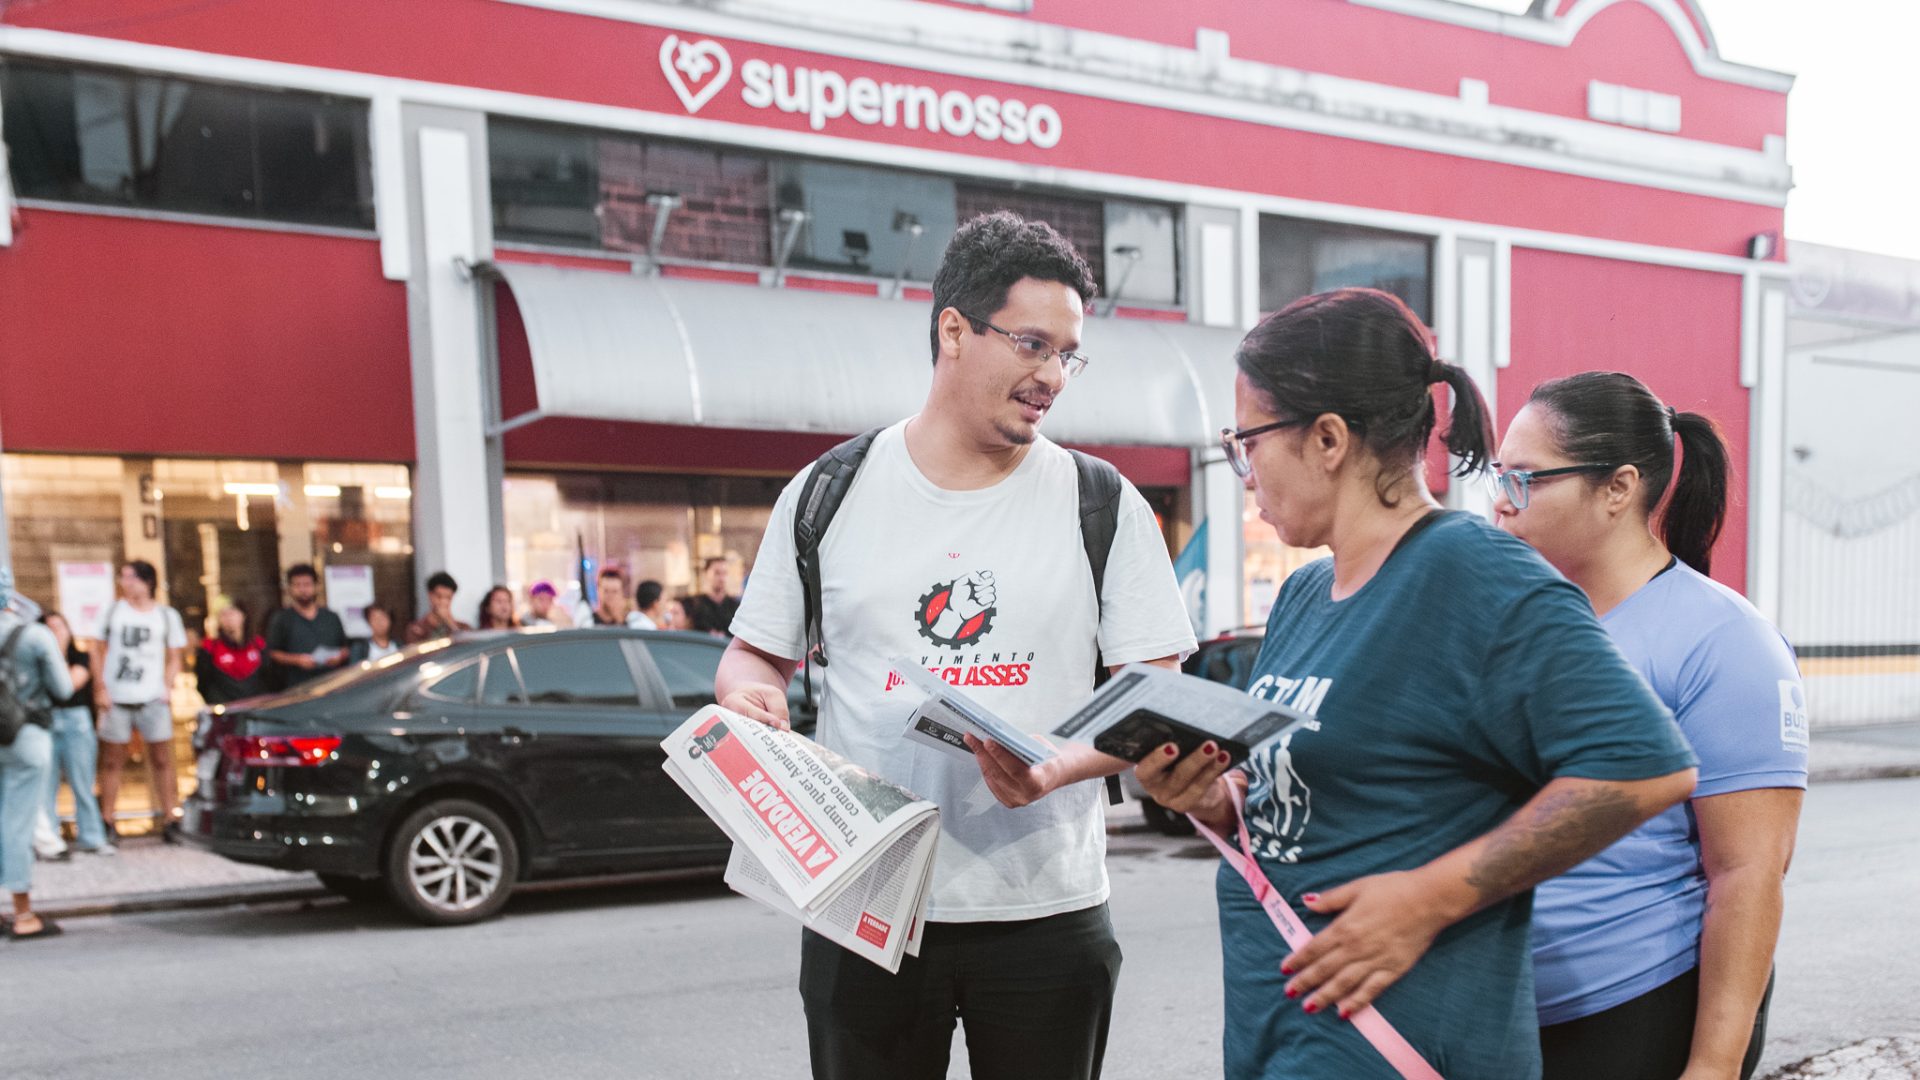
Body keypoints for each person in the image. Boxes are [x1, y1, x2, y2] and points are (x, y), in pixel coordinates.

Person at [1135, 288, 1699, 1079]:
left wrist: (1430, 898)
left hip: (1405, 1045)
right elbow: (1306, 810)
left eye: (1248, 442)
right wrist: (1208, 801)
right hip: (1283, 1035)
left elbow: (1645, 766)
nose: (1244, 472)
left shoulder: (1473, 572)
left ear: (1328, 439)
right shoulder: (1303, 595)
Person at [716, 211, 1196, 1080]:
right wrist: (749, 693)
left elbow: (1157, 689)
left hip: (1047, 907)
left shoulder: (1102, 500)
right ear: (952, 329)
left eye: (1067, 353)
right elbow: (756, 653)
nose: (1052, 375)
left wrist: (1054, 764)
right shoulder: (829, 491)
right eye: (1030, 344)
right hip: (865, 902)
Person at [1491, 372, 1806, 1080]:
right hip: (1503, 1009)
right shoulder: (1515, 621)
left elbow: (1749, 873)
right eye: (1497, 477)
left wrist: (1714, 1065)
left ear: (1617, 487)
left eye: (1524, 481)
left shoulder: (1724, 641)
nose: (1499, 504)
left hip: (1637, 1006)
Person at [86, 560, 187, 843]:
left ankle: (170, 816)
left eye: (132, 577)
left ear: (148, 581)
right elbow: (95, 649)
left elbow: (175, 656)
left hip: (152, 696)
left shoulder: (165, 615)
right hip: (117, 696)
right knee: (112, 760)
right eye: (124, 577)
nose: (126, 582)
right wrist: (101, 687)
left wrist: (167, 686)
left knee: (162, 758)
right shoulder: (113, 611)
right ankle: (108, 819)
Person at [0, 570, 73, 939]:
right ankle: (23, 913)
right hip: (26, 737)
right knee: (18, 821)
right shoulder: (34, 634)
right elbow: (62, 688)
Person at [39, 612, 111, 856]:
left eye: (59, 627)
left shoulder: (81, 656)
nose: (56, 632)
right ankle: (49, 841)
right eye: (49, 629)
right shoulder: (38, 660)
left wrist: (57, 653)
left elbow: (66, 686)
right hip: (47, 721)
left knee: (82, 784)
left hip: (75, 722)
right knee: (45, 787)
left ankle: (92, 837)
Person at [264, 564, 349, 688]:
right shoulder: (281, 618)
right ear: (290, 588)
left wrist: (339, 657)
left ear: (315, 586)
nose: (303, 589)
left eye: (307, 584)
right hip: (298, 686)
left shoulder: (331, 617)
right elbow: (273, 653)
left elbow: (345, 648)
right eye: (297, 585)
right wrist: (297, 660)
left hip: (331, 684)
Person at [196, 600, 268, 705]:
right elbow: (203, 682)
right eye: (223, 614)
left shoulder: (258, 645)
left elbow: (269, 676)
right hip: (226, 709)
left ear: (243, 616)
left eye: (232, 613)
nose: (228, 618)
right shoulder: (210, 648)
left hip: (257, 705)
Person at [405, 571, 470, 644]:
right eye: (439, 597)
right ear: (430, 595)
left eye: (448, 598)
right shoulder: (416, 629)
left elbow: (468, 647)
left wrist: (450, 623)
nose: (443, 602)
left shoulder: (463, 627)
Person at [685, 557, 739, 635]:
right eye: (717, 573)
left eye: (724, 573)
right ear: (706, 574)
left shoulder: (735, 606)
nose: (721, 578)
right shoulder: (695, 604)